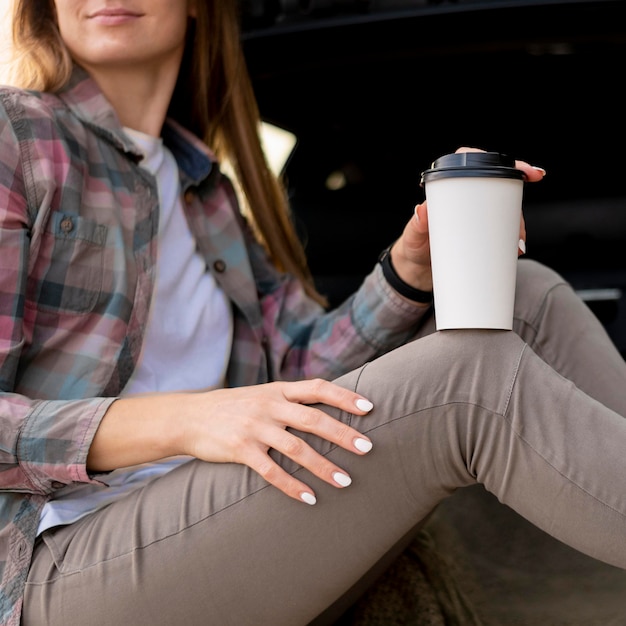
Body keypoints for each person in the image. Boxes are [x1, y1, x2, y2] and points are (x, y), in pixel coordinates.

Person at [1, 1, 625, 625]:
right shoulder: (16, 136)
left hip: (218, 515)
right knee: (473, 381)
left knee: (522, 294)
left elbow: (300, 365)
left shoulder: (206, 192)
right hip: (54, 565)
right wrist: (188, 419)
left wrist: (407, 276)